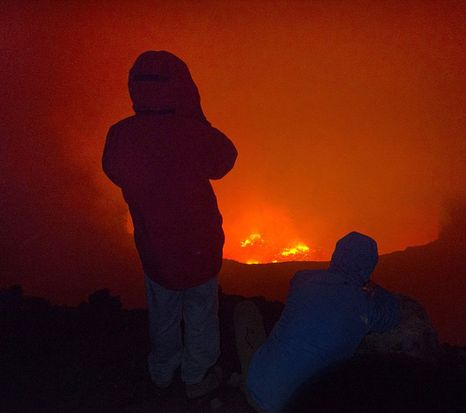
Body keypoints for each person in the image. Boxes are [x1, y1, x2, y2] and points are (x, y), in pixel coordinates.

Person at [102, 51, 237, 398]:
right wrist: (193, 115)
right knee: (201, 315)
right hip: (199, 249)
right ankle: (196, 376)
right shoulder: (193, 134)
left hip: (155, 250)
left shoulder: (120, 135)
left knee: (162, 315)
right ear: (184, 87)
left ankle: (162, 372)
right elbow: (225, 158)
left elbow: (114, 171)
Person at [234, 232, 401, 413]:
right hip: (302, 405)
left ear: (337, 254)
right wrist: (372, 287)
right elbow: (393, 313)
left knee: (246, 309)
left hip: (258, 392)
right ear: (369, 266)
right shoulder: (366, 308)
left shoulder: (303, 279)